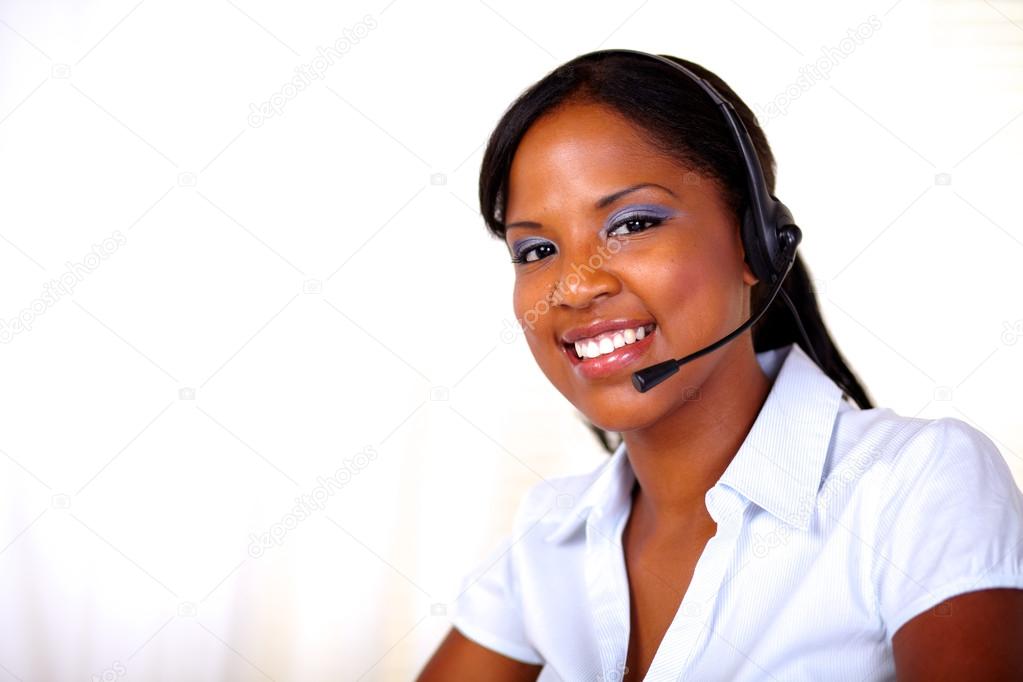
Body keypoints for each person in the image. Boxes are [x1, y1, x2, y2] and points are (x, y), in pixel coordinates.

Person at [418, 50, 1023, 681]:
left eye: (632, 224)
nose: (573, 287)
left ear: (755, 243)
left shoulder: (915, 485)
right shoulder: (550, 533)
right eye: (536, 249)